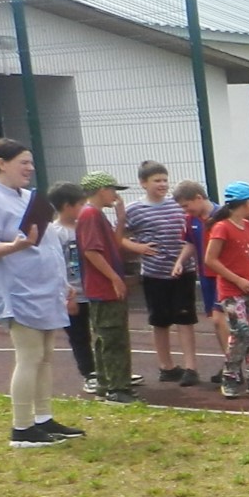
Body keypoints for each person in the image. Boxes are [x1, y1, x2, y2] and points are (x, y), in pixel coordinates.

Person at [0, 139, 85, 447]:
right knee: (29, 356)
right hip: (18, 291)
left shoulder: (28, 198)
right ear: (1, 163)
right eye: (23, 162)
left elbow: (44, 244)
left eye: (31, 163)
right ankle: (21, 428)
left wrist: (61, 281)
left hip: (44, 289)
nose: (30, 168)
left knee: (45, 356)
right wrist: (14, 246)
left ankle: (43, 419)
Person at [122, 161, 200, 386]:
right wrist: (139, 248)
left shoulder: (177, 205)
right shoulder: (134, 209)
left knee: (185, 319)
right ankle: (166, 366)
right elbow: (118, 235)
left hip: (183, 271)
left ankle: (190, 367)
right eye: (157, 180)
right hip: (155, 274)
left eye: (165, 180)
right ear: (143, 183)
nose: (163, 184)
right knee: (160, 321)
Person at [76, 170, 145, 405]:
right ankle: (117, 389)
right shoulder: (90, 215)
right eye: (113, 190)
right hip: (103, 289)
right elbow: (91, 251)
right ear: (102, 190)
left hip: (104, 288)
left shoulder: (96, 215)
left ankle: (108, 384)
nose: (115, 195)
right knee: (113, 338)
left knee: (108, 337)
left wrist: (121, 218)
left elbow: (113, 245)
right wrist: (114, 278)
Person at [204, 182, 249, 400]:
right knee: (240, 331)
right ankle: (230, 377)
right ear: (246, 203)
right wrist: (238, 280)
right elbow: (211, 260)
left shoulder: (248, 226)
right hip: (232, 292)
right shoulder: (222, 227)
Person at [173, 180, 229, 384]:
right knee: (217, 323)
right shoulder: (191, 220)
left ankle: (233, 365)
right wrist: (180, 261)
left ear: (198, 198)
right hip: (206, 276)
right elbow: (190, 243)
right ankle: (230, 362)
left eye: (186, 205)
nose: (185, 210)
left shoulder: (223, 215)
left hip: (224, 276)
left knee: (219, 319)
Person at [49, 182, 99, 394]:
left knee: (101, 333)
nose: (85, 206)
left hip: (94, 291)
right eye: (80, 203)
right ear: (67, 206)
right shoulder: (54, 233)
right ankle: (89, 374)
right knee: (79, 336)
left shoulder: (85, 225)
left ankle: (107, 370)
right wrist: (65, 296)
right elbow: (54, 266)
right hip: (73, 294)